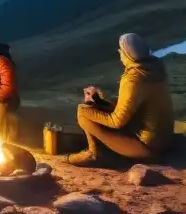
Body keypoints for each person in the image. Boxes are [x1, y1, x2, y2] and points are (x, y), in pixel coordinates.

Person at [67, 32, 174, 167]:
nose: (119, 53)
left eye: (121, 50)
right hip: (162, 140)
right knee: (95, 107)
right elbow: (129, 107)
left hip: (146, 147)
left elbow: (116, 121)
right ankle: (104, 150)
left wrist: (90, 105)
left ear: (127, 54)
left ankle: (95, 154)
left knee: (83, 111)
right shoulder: (154, 69)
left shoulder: (134, 78)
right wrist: (99, 101)